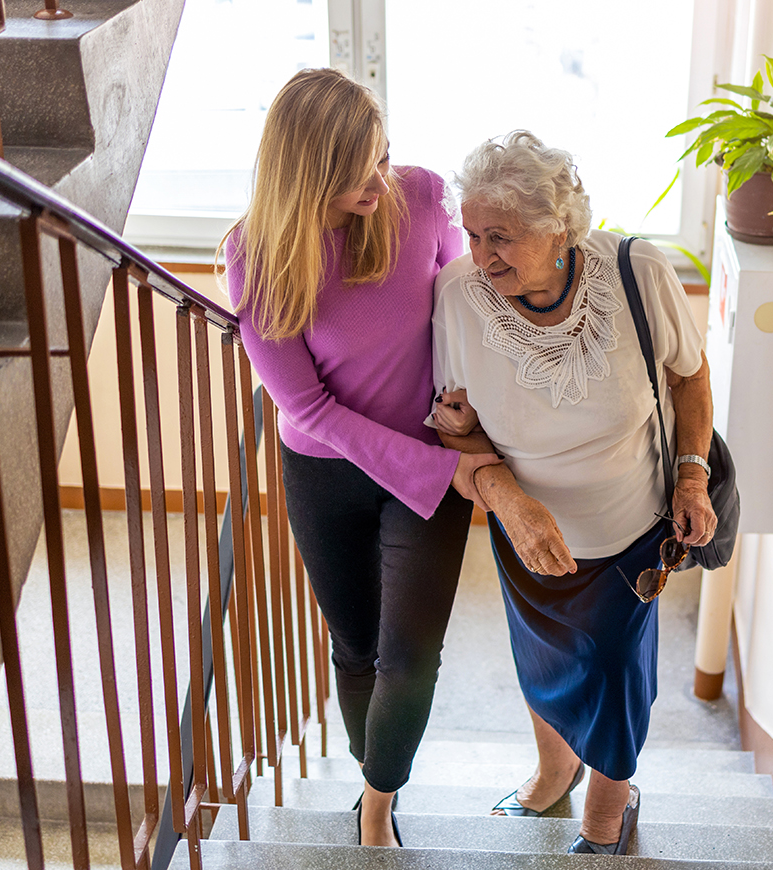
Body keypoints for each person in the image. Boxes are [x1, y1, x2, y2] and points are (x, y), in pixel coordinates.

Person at [220, 68, 500, 848]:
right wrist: (442, 470)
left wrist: (465, 414)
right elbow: (307, 408)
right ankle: (374, 771)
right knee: (356, 650)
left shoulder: (422, 196)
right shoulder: (255, 255)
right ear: (308, 173)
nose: (381, 181)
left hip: (430, 460)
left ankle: (377, 804)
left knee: (410, 658)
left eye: (383, 156)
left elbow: (464, 309)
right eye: (358, 172)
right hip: (327, 471)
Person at [428, 131, 717, 855]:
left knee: (615, 673)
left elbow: (689, 376)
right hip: (525, 533)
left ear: (560, 228)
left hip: (631, 533)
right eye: (472, 235)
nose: (482, 255)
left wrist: (692, 474)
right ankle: (555, 770)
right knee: (544, 661)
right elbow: (456, 426)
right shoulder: (458, 296)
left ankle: (607, 811)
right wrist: (507, 499)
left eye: (502, 236)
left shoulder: (638, 272)